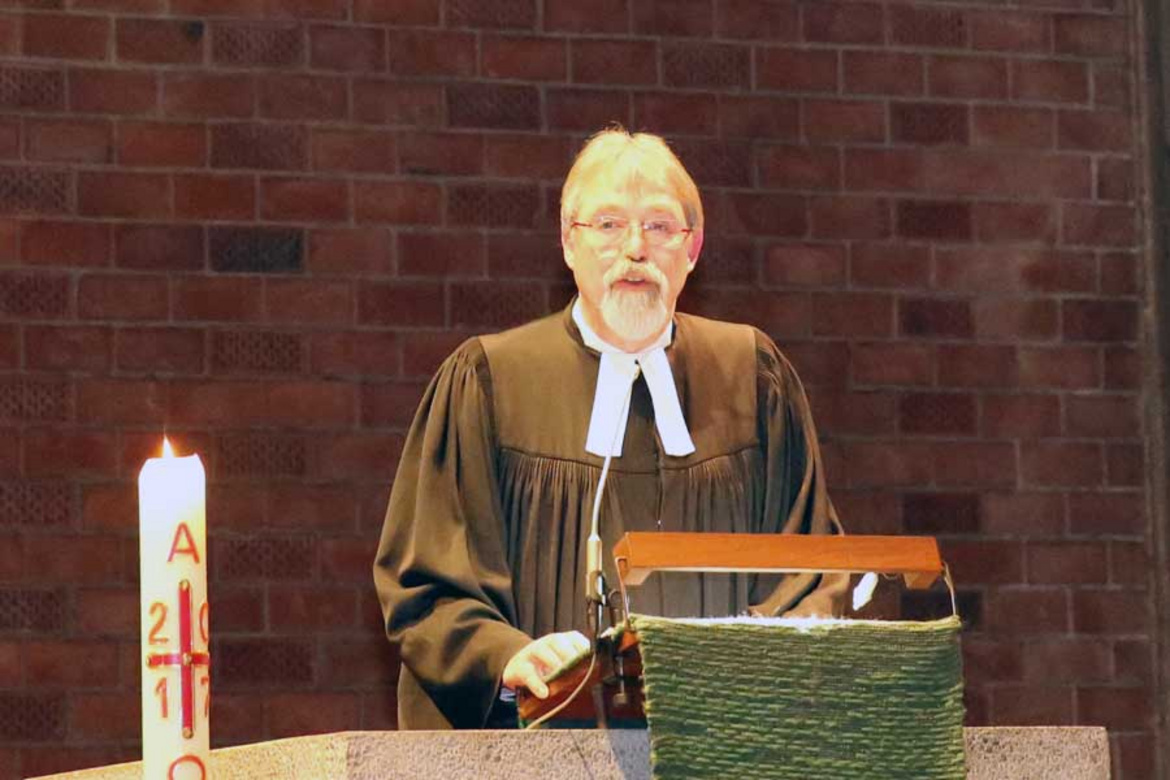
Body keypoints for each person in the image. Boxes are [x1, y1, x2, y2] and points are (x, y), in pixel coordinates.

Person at [373, 127, 848, 730]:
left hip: (720, 744)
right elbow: (429, 581)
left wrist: (746, 666)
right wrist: (507, 655)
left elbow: (810, 566)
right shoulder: (489, 379)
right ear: (567, 244)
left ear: (693, 248)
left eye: (658, 226)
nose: (635, 249)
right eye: (607, 225)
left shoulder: (752, 377)